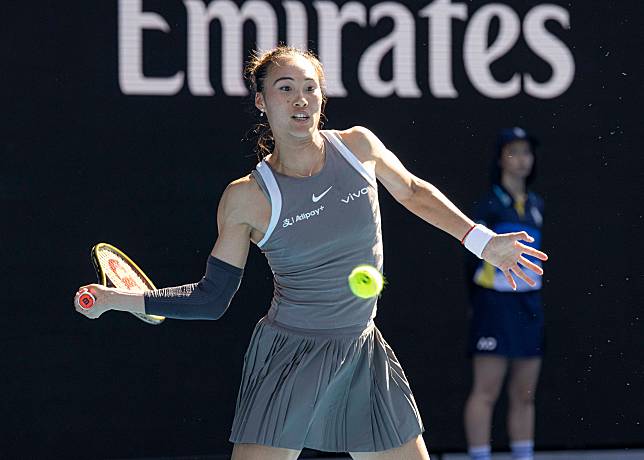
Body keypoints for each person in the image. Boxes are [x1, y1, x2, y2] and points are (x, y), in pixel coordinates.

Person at [74, 47, 548, 460]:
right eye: (285, 88)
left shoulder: (358, 146)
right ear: (261, 101)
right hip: (290, 356)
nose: (300, 99)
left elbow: (413, 192)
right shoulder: (247, 198)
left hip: (362, 346)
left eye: (310, 87)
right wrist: (120, 300)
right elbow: (212, 298)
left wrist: (483, 242)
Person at [463, 127, 545, 460]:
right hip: (493, 306)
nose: (522, 159)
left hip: (529, 306)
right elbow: (470, 265)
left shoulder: (537, 204)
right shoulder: (487, 206)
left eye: (527, 151)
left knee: (525, 393)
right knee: (487, 391)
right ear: (500, 159)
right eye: (514, 151)